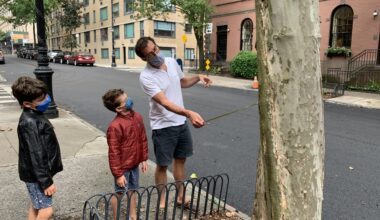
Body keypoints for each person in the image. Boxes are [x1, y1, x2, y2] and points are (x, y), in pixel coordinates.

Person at [135, 37, 212, 209]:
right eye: (150, 54)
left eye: (155, 48)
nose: (156, 54)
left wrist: (198, 77)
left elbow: (182, 82)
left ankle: (180, 197)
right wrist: (189, 113)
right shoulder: (146, 77)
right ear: (143, 58)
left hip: (181, 124)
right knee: (162, 165)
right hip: (162, 126)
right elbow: (164, 102)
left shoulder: (170, 61)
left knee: (180, 161)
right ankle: (162, 201)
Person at [11, 76, 63, 220]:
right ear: (27, 104)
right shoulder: (30, 122)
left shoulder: (35, 115)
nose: (46, 100)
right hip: (36, 177)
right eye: (41, 99)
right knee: (46, 210)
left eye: (45, 95)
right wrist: (46, 182)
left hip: (35, 175)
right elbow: (36, 154)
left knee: (37, 205)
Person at [102, 89, 148, 220]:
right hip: (123, 167)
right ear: (118, 108)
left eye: (128, 97)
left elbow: (142, 138)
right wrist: (118, 174)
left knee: (133, 189)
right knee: (120, 192)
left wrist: (143, 158)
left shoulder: (137, 117)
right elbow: (114, 152)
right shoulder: (115, 126)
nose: (129, 100)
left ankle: (133, 216)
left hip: (134, 163)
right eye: (125, 100)